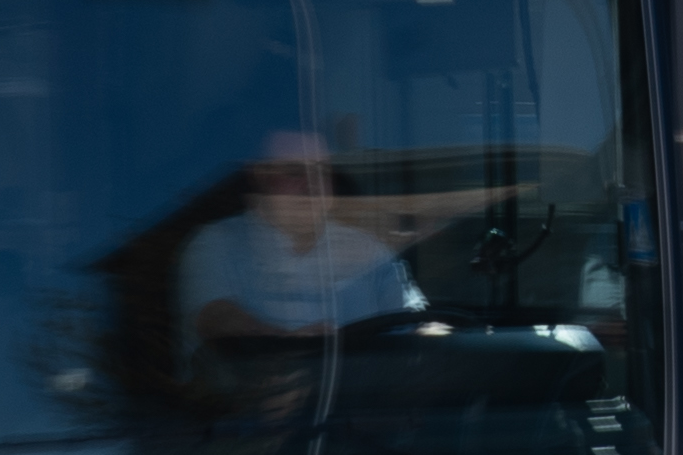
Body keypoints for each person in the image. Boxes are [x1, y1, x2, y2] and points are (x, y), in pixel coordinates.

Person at [180, 129, 476, 356]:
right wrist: (287, 346)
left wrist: (449, 341)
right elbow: (215, 317)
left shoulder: (367, 248)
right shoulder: (216, 244)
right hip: (246, 419)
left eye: (322, 171)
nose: (312, 185)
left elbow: (415, 321)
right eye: (294, 172)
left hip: (356, 414)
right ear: (258, 176)